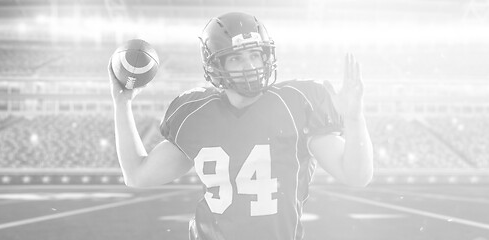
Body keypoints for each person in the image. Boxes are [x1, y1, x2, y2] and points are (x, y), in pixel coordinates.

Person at [109, 12, 373, 240]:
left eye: (255, 55)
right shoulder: (196, 114)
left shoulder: (298, 104)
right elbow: (138, 175)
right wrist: (122, 103)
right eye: (236, 58)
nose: (249, 65)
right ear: (216, 65)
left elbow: (356, 175)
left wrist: (354, 119)